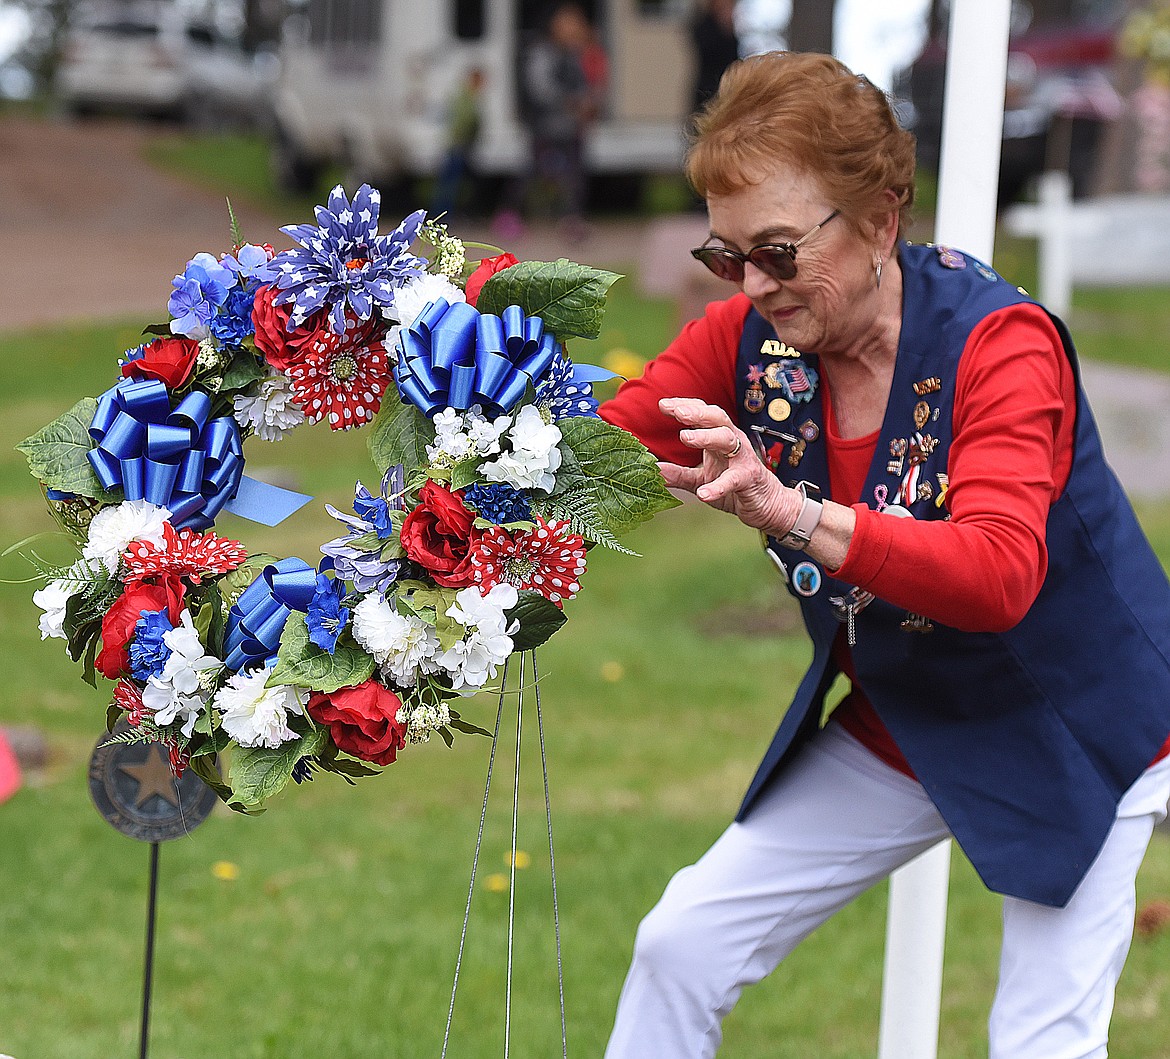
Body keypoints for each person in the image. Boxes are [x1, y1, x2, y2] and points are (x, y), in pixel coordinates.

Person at [599, 51, 1170, 1058]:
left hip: (1078, 719)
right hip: (911, 709)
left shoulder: (1001, 344)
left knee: (1041, 1042)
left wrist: (789, 511)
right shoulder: (747, 337)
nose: (754, 286)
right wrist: (443, 361)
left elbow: (996, 577)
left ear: (882, 219)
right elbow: (593, 447)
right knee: (681, 943)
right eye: (727, 257)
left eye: (777, 251)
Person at [498, 3, 595, 240]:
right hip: (545, 127)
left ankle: (572, 220)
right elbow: (540, 88)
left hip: (569, 127)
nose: (573, 28)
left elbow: (582, 84)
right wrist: (571, 102)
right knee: (531, 173)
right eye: (568, 22)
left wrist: (586, 101)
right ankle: (508, 217)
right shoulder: (542, 52)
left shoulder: (572, 53)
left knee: (575, 176)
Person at [430, 67, 485, 220]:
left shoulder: (465, 97)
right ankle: (443, 216)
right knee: (450, 185)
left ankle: (443, 215)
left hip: (457, 147)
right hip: (458, 147)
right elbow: (465, 122)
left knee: (449, 183)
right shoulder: (466, 99)